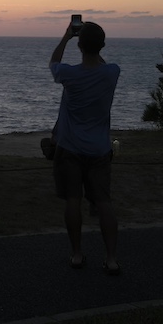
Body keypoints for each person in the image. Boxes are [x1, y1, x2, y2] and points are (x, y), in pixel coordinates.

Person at [49, 21, 121, 274]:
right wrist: (91, 44)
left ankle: (77, 253)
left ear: (79, 46)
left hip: (69, 148)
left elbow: (53, 64)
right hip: (100, 149)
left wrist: (67, 37)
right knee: (104, 203)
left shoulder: (69, 75)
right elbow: (99, 62)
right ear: (102, 46)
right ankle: (111, 258)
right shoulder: (111, 72)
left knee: (72, 200)